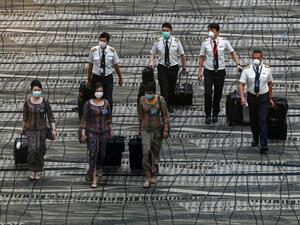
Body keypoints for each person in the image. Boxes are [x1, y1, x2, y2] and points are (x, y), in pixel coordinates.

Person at [198, 23, 242, 124]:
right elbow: (201, 56)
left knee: (218, 93)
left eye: (212, 30)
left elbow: (232, 52)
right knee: (208, 93)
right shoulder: (205, 43)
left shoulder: (224, 42)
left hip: (220, 71)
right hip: (208, 71)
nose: (210, 32)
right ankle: (208, 114)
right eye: (209, 30)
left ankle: (215, 114)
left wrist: (237, 64)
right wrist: (200, 71)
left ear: (217, 31)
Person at [239, 49, 275, 153]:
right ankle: (255, 137)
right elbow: (241, 84)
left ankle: (264, 145)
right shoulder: (247, 70)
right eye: (254, 58)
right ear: (252, 58)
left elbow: (270, 84)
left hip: (263, 98)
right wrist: (242, 97)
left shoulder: (267, 69)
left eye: (258, 58)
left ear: (262, 58)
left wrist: (270, 98)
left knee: (262, 120)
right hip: (251, 97)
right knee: (253, 121)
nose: (256, 60)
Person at [22, 79, 56, 180]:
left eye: (38, 89)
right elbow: (25, 117)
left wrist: (53, 129)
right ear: (32, 90)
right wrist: (23, 128)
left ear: (41, 90)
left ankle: (39, 168)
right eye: (34, 89)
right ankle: (32, 169)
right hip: (30, 129)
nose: (36, 91)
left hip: (42, 130)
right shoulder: (27, 103)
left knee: (41, 150)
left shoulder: (45, 102)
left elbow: (50, 117)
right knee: (33, 149)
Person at [80, 82, 112, 188]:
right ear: (93, 92)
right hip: (91, 132)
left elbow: (109, 118)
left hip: (104, 131)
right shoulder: (88, 104)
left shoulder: (106, 103)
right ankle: (93, 178)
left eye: (101, 91)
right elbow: (84, 119)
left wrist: (110, 130)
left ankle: (97, 167)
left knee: (101, 153)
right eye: (97, 91)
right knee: (93, 153)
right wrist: (83, 132)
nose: (99, 93)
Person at [138, 82, 170, 188]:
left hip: (157, 129)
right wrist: (139, 129)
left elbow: (165, 115)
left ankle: (153, 172)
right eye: (147, 92)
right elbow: (140, 115)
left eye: (151, 92)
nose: (149, 94)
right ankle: (147, 175)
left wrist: (165, 129)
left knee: (155, 151)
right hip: (145, 129)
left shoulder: (160, 100)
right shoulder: (142, 100)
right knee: (146, 151)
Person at [149, 22, 187, 113]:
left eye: (167, 30)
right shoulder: (158, 41)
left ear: (171, 31)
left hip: (173, 67)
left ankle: (170, 104)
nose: (165, 32)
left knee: (171, 88)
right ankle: (164, 107)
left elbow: (182, 55)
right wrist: (151, 61)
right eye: (164, 31)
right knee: (164, 88)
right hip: (162, 68)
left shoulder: (176, 41)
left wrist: (184, 67)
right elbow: (152, 53)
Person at [87, 32, 123, 110]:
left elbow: (116, 65)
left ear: (107, 42)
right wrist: (89, 79)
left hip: (107, 77)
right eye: (100, 40)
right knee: (94, 97)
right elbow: (90, 65)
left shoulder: (112, 51)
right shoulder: (93, 50)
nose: (102, 42)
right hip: (96, 77)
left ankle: (108, 116)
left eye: (104, 41)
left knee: (108, 99)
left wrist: (120, 78)